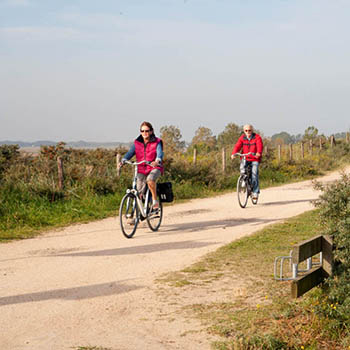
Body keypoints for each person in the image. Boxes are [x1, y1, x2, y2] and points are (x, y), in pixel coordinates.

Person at [120, 121, 163, 210]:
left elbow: (160, 153)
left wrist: (157, 160)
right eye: (142, 131)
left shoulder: (157, 142)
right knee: (139, 191)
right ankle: (137, 214)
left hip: (154, 167)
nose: (144, 133)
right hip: (141, 168)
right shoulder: (137, 142)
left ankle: (155, 200)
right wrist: (124, 160)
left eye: (147, 131)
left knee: (150, 179)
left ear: (151, 131)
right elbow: (130, 153)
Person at [231, 124, 263, 199]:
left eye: (249, 130)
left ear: (252, 130)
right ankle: (243, 180)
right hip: (245, 157)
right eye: (246, 130)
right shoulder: (242, 138)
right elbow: (237, 146)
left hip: (254, 158)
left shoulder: (257, 137)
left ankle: (255, 192)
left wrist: (258, 153)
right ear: (244, 131)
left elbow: (260, 146)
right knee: (242, 168)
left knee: (254, 174)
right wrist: (234, 153)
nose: (248, 132)